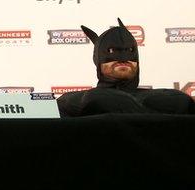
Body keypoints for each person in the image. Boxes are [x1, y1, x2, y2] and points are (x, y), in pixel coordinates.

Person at [57, 18, 194, 117]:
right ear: (97, 60)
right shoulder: (70, 101)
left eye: (129, 50)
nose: (123, 58)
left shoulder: (174, 98)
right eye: (111, 51)